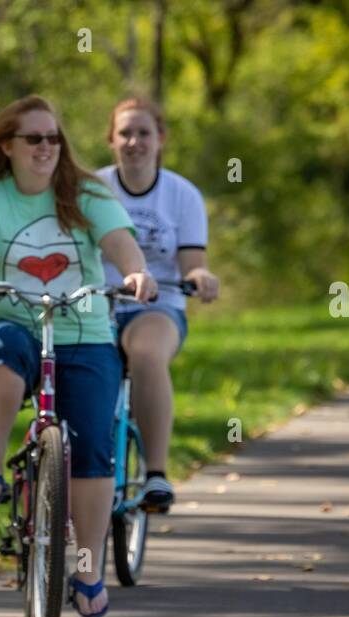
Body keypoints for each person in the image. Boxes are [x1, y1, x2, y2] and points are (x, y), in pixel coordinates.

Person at [0, 94, 153, 617]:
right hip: (12, 321)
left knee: (92, 449)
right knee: (0, 355)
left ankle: (87, 567)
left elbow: (121, 244)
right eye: (33, 138)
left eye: (53, 138)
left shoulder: (84, 193)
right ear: (8, 146)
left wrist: (136, 272)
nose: (45, 147)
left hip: (84, 327)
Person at [96, 96, 220, 511]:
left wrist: (199, 278)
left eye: (143, 132)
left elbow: (192, 263)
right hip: (96, 307)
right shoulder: (92, 189)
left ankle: (155, 476)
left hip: (159, 306)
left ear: (160, 139)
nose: (135, 142)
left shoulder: (183, 195)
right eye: (125, 133)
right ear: (111, 140)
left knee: (146, 352)